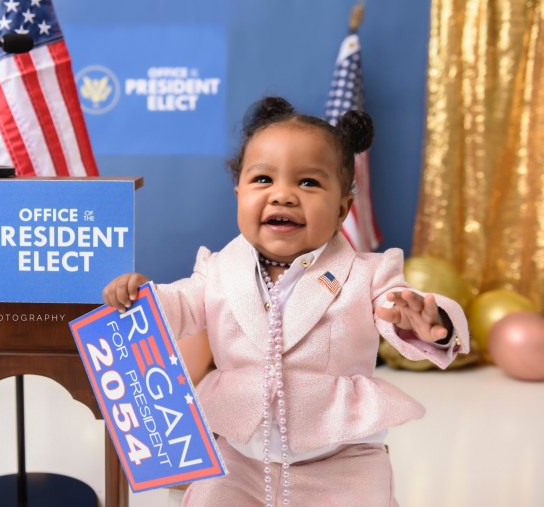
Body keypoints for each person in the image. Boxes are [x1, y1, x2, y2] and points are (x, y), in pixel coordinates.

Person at [102, 97, 469, 506]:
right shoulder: (219, 268)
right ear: (238, 193)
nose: (283, 195)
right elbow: (180, 305)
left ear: (343, 208)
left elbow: (394, 310)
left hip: (340, 460)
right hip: (239, 456)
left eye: (308, 182)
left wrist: (417, 317)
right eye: (263, 180)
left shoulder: (369, 273)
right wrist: (141, 299)